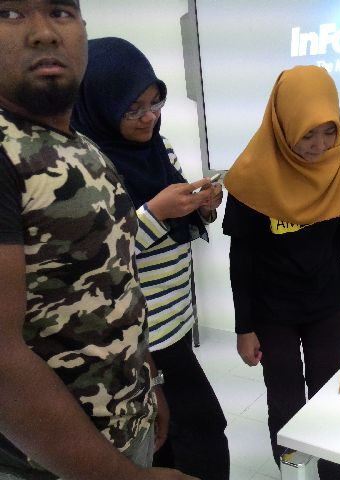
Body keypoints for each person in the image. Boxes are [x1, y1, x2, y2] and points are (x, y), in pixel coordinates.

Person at [0, 2, 197, 480]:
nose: (44, 33)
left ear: (83, 30)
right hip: (49, 464)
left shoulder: (84, 147)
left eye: (60, 11)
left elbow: (118, 284)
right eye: (10, 14)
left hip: (127, 424)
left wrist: (149, 383)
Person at [71, 37, 230, 479]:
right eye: (133, 108)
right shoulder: (87, 166)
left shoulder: (160, 146)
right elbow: (100, 257)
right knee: (202, 429)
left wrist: (202, 206)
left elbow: (176, 220)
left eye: (155, 103)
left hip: (175, 318)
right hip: (141, 331)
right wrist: (157, 211)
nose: (149, 117)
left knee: (168, 435)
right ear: (100, 105)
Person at [222, 65, 340, 479]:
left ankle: (332, 475)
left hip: (328, 302)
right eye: (308, 133)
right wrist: (244, 328)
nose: (320, 145)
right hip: (272, 310)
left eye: (329, 131)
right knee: (286, 401)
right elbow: (241, 258)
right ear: (284, 122)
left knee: (328, 397)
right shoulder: (252, 171)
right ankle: (292, 474)